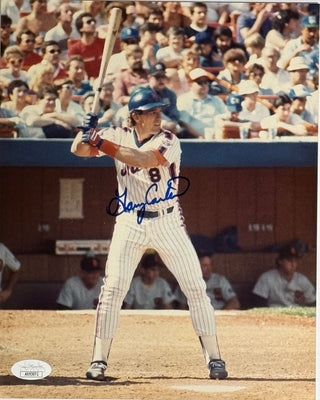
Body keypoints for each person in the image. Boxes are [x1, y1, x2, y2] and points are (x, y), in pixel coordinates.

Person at [71, 87, 228, 381]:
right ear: (135, 116)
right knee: (113, 289)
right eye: (152, 112)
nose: (159, 116)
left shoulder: (170, 140)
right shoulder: (116, 134)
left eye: (159, 111)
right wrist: (86, 131)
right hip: (130, 221)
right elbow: (77, 151)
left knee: (195, 287)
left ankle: (215, 358)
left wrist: (100, 141)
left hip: (168, 223)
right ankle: (98, 361)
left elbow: (143, 160)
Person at [252, 243, 316, 307]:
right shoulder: (267, 278)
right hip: (275, 314)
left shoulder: (302, 280)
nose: (293, 265)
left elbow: (313, 302)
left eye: (295, 261)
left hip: (296, 314)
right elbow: (259, 304)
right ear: (280, 261)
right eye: (289, 261)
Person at [174, 252, 240, 310]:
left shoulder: (220, 280)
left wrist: (221, 315)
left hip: (219, 312)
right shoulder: (186, 281)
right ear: (195, 266)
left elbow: (235, 303)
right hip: (197, 316)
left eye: (210, 265)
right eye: (205, 266)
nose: (209, 269)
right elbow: (182, 307)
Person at [177, 67, 226, 138]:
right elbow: (184, 123)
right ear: (190, 83)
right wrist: (200, 137)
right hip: (193, 140)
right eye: (199, 83)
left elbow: (224, 120)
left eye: (205, 82)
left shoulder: (217, 100)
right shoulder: (183, 100)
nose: (203, 85)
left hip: (217, 139)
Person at [68, 12, 105, 79]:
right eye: (89, 22)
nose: (93, 24)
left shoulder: (104, 43)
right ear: (81, 28)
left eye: (94, 21)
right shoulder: (75, 49)